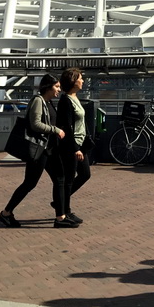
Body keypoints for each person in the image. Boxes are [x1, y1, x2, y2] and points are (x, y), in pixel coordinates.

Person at [0, 75, 69, 228]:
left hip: (49, 149)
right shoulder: (38, 101)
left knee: (59, 179)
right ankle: (6, 213)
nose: (59, 90)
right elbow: (35, 124)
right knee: (30, 183)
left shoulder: (48, 102)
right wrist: (55, 130)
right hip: (39, 149)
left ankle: (61, 217)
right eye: (56, 87)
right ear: (48, 87)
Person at [56, 67, 91, 227]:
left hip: (80, 144)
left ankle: (61, 204)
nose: (83, 80)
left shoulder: (75, 97)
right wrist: (75, 147)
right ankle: (65, 210)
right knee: (69, 179)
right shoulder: (65, 100)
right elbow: (67, 126)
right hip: (71, 146)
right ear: (73, 81)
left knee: (85, 174)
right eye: (80, 78)